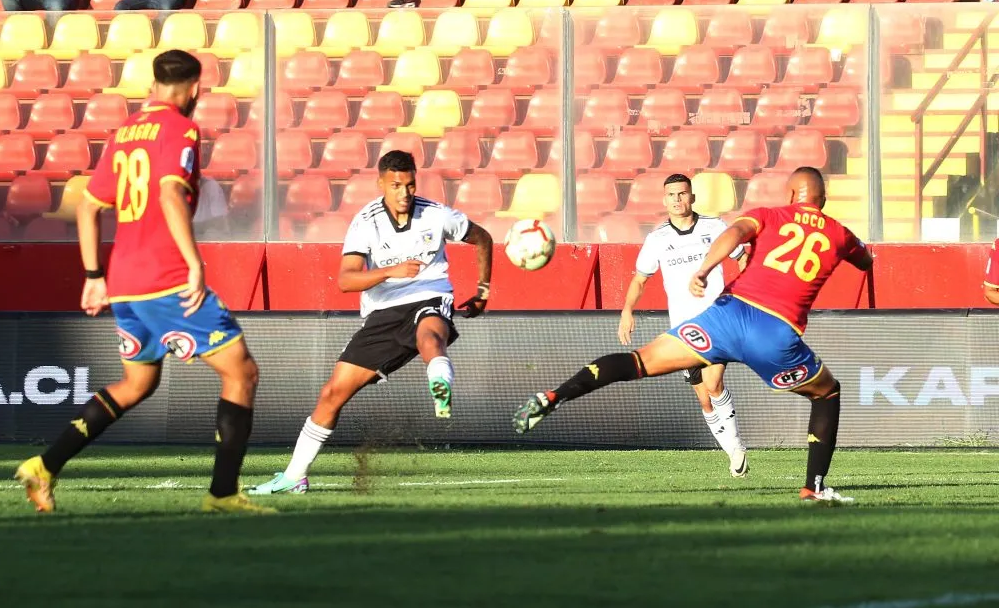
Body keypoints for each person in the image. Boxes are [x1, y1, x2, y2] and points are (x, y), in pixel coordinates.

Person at [514, 167, 874, 504]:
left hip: (726, 316)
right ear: (824, 198)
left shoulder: (768, 215)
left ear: (791, 192)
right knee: (827, 392)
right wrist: (851, 251)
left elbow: (733, 234)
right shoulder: (839, 233)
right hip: (775, 334)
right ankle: (813, 487)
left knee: (638, 362)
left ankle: (555, 395)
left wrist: (704, 269)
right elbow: (865, 261)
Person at [14, 50, 274, 516]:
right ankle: (222, 493)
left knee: (137, 383)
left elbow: (90, 206)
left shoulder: (124, 133)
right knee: (241, 373)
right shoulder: (181, 128)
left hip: (126, 280)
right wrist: (194, 263)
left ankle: (44, 466)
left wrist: (94, 275)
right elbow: (171, 191)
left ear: (154, 84)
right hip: (166, 277)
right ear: (195, 88)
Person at [249, 151, 494, 495]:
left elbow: (483, 237)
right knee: (332, 393)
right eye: (396, 186)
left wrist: (482, 290)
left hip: (430, 297)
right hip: (382, 315)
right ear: (380, 184)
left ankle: (440, 384)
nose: (404, 193)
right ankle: (295, 476)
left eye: (410, 185)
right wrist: (391, 271)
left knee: (429, 334)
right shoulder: (366, 221)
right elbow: (346, 280)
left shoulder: (437, 215)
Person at [618, 174, 749, 477]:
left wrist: (743, 293)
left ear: (692, 197)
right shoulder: (657, 240)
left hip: (717, 320)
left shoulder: (714, 227)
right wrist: (627, 310)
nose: (677, 200)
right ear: (664, 200)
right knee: (704, 399)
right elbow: (640, 279)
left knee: (714, 383)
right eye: (672, 195)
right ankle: (732, 450)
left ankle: (736, 447)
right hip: (684, 331)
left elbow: (743, 258)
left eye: (682, 194)